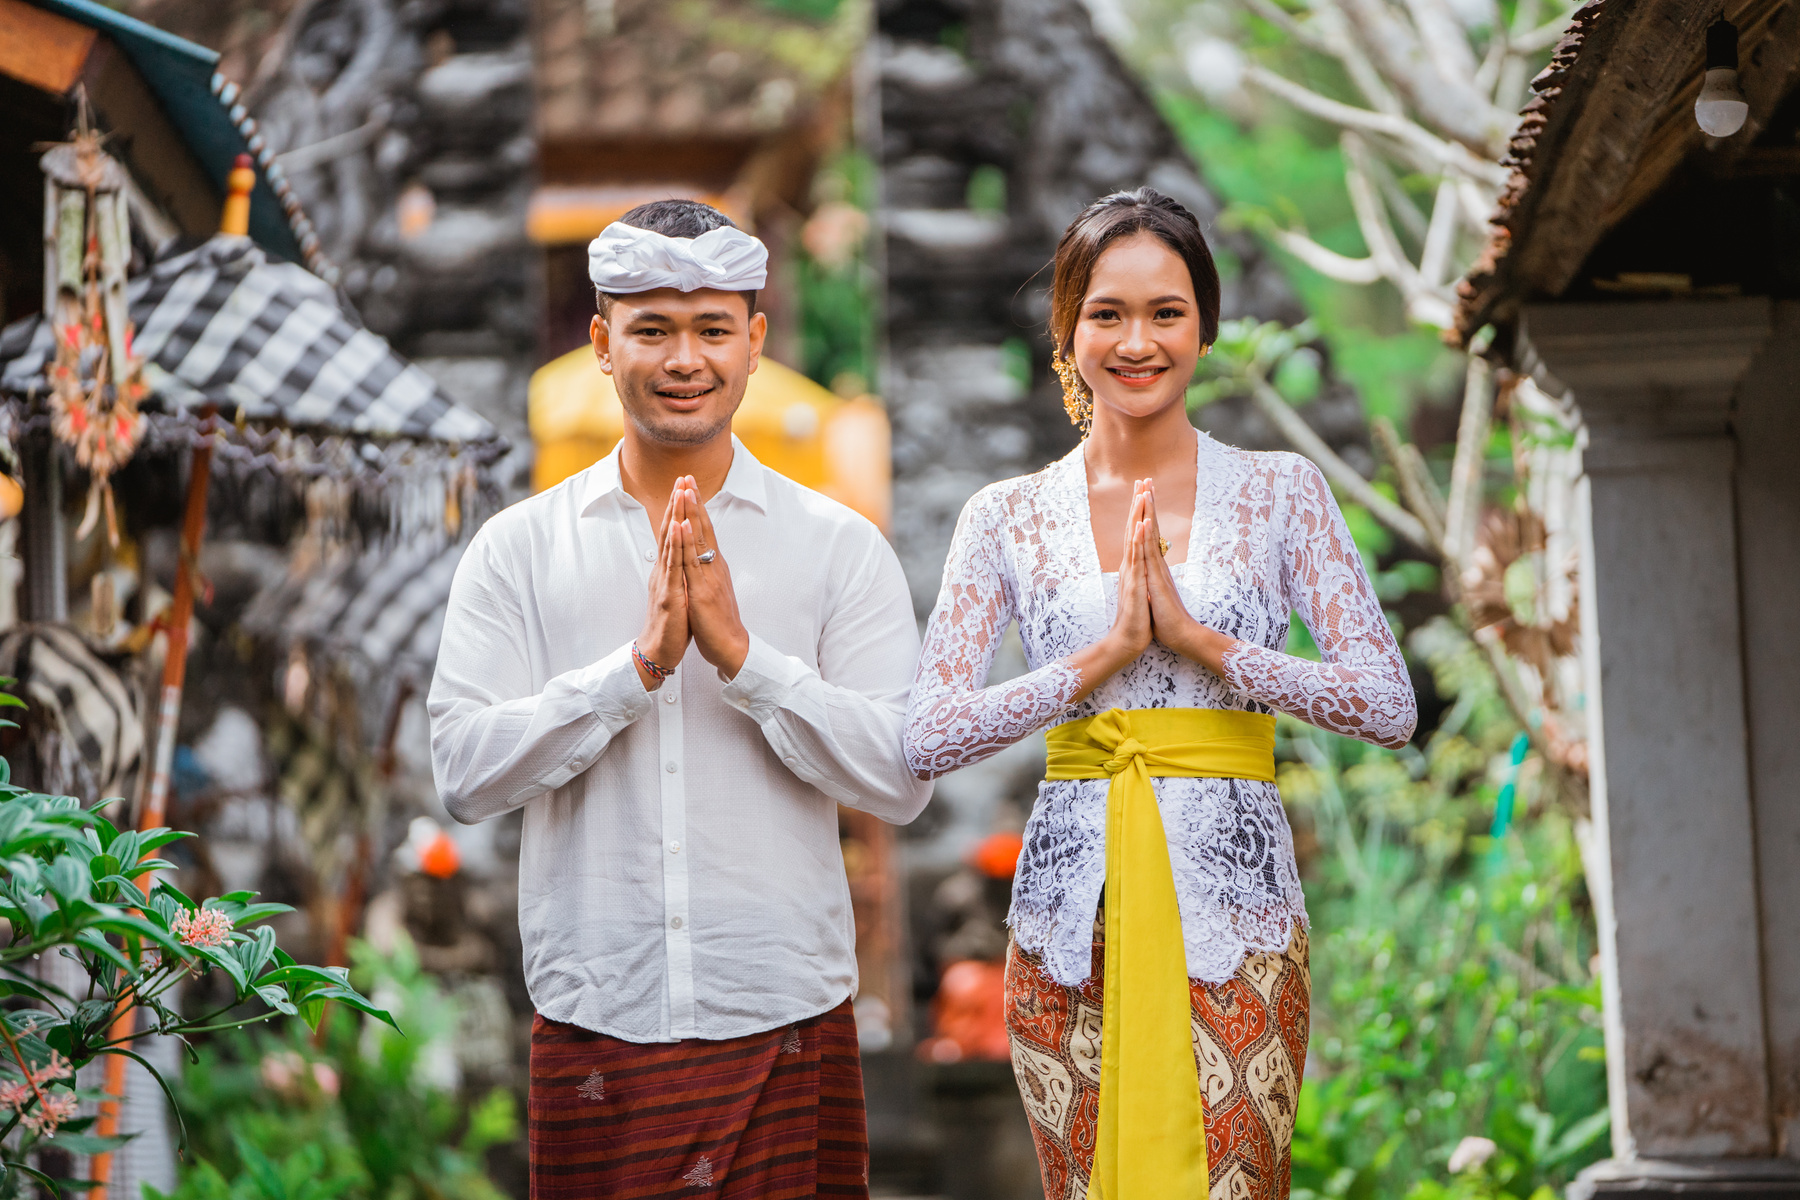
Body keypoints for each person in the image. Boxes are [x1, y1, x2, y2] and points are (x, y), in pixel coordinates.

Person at [903, 187, 1417, 1200]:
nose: (1137, 341)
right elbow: (927, 735)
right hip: (1064, 924)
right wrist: (1089, 669)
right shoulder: (1006, 516)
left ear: (1207, 328)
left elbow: (1387, 703)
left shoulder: (1281, 493)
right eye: (1107, 313)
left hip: (1239, 919)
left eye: (1166, 312)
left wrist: (1208, 645)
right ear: (1067, 329)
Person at [429, 198, 930, 1198]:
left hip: (785, 1011)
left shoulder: (838, 546)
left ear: (754, 342)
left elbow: (900, 778)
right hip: (597, 1027)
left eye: (711, 328)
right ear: (601, 344)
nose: (683, 357)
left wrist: (747, 662)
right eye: (651, 327)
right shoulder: (519, 550)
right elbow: (464, 774)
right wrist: (636, 671)